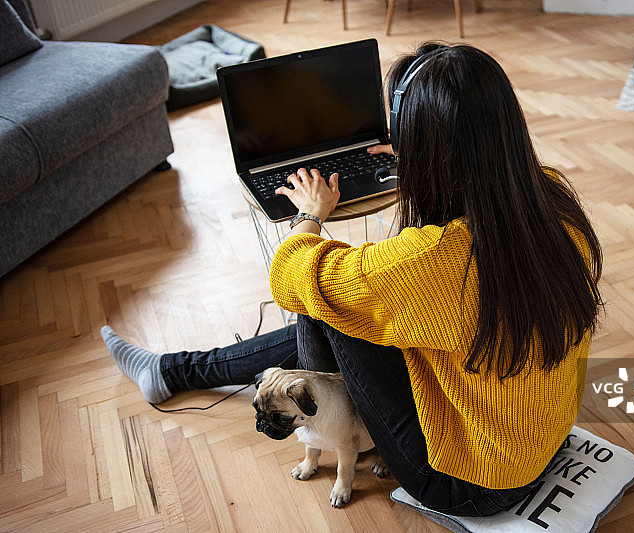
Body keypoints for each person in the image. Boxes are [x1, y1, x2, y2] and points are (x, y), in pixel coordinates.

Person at [101, 41, 603, 517]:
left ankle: (307, 417)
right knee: (354, 303)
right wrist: (422, 163)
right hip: (541, 434)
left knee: (327, 301)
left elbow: (290, 276)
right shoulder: (551, 197)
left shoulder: (433, 262)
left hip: (470, 482)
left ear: (427, 147)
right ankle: (172, 372)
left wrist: (310, 215)